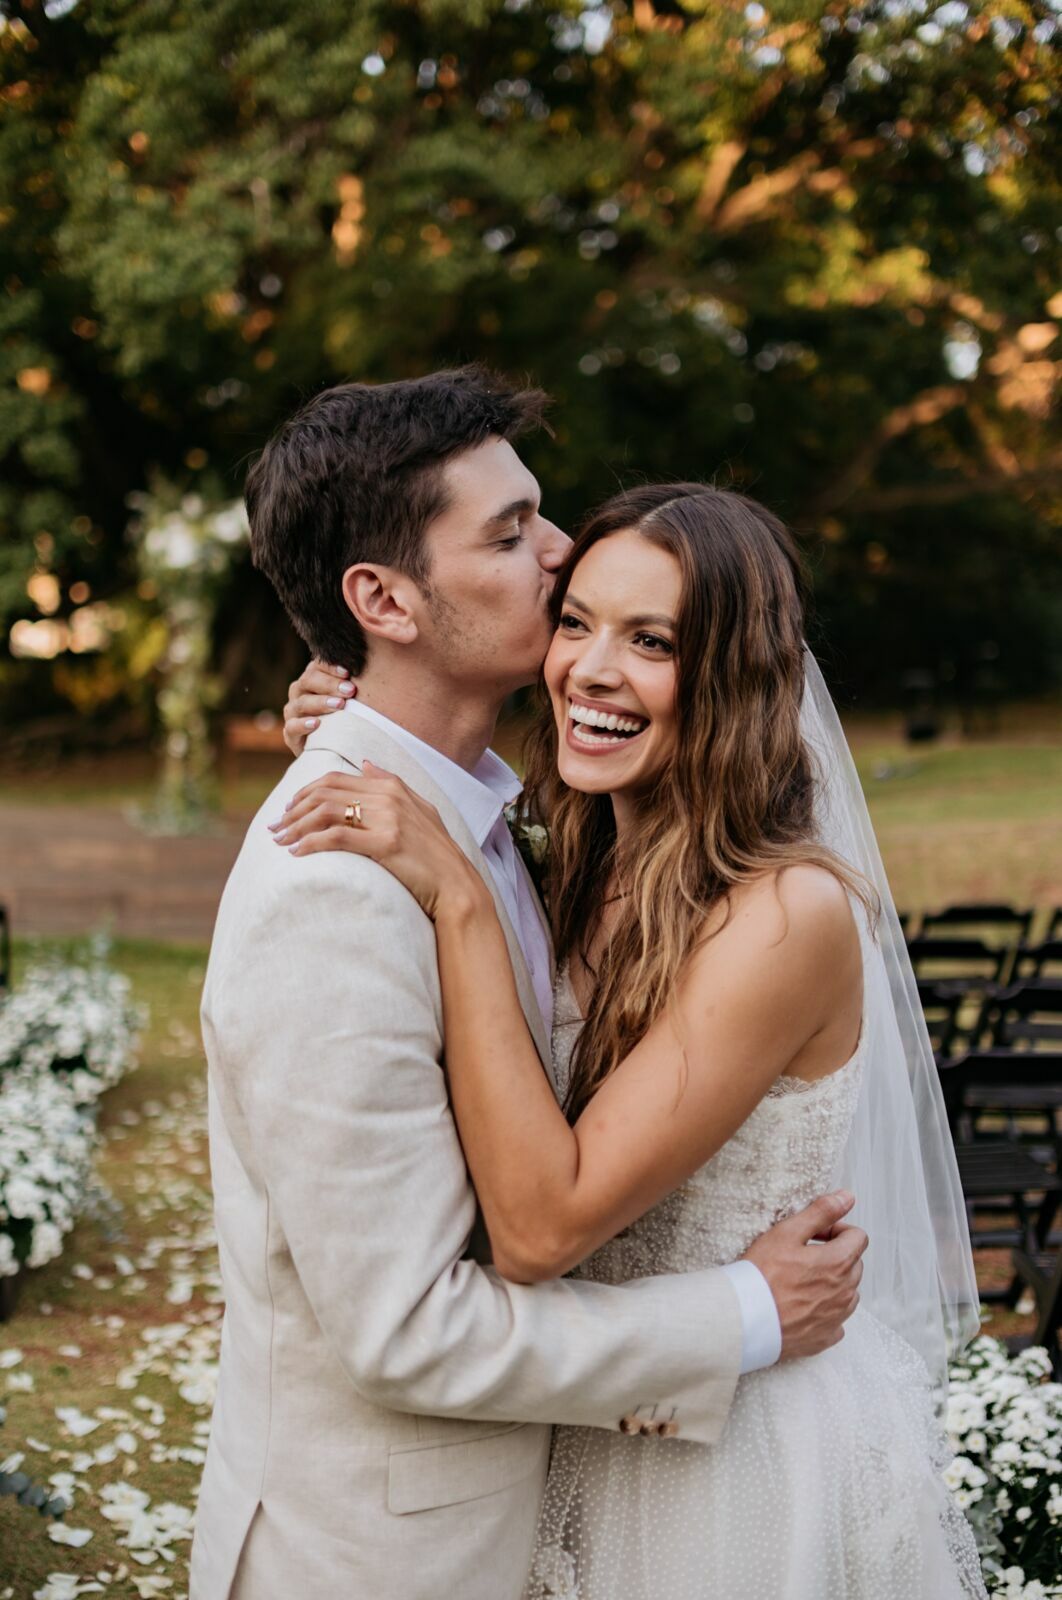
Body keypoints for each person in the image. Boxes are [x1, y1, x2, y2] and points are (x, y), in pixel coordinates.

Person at [189, 371, 865, 1600]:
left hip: (637, 1500)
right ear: (383, 599)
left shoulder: (509, 819)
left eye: (540, 517)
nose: (558, 556)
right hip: (386, 1557)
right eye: (509, 534)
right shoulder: (334, 887)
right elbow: (411, 1326)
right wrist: (748, 1312)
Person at [279, 480, 985, 1598]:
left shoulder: (782, 914)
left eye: (651, 640)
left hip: (732, 1462)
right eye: (576, 621)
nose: (590, 670)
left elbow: (543, 1226)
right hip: (586, 1412)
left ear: (736, 680)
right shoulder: (578, 857)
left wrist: (458, 899)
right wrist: (357, 726)